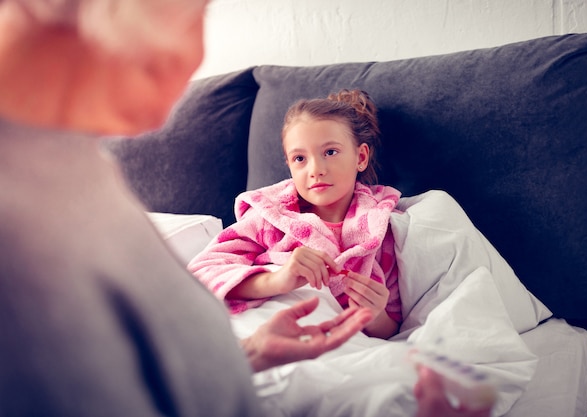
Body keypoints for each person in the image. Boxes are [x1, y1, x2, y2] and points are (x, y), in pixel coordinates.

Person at [0, 0, 493, 416]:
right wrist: (276, 282)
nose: (194, 58)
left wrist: (252, 354)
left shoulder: (74, 167)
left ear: (361, 158)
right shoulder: (30, 219)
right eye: (189, 18)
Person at [189, 89, 402, 339]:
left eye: (330, 152)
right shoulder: (270, 219)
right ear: (289, 165)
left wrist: (375, 315)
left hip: (337, 346)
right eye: (300, 158)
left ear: (361, 157)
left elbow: (393, 329)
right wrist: (278, 280)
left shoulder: (380, 231)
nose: (316, 170)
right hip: (261, 334)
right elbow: (200, 273)